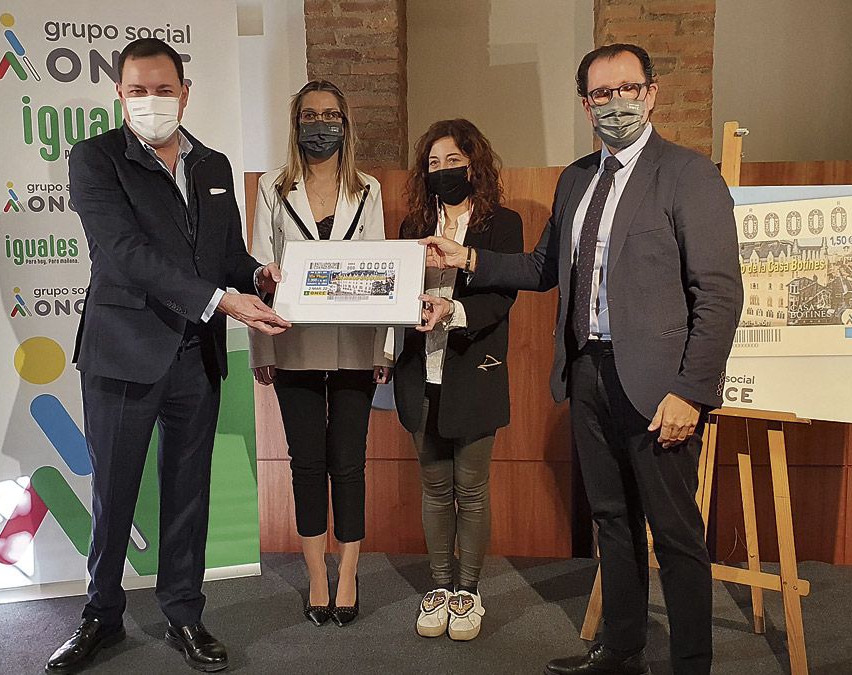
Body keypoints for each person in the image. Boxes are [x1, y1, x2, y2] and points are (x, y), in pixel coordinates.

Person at [421, 44, 743, 675]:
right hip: (588, 371)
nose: (614, 103)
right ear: (586, 104)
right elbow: (544, 269)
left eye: (626, 89)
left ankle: (691, 664)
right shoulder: (576, 179)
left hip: (661, 387)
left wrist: (693, 391)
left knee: (676, 536)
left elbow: (720, 292)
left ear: (651, 93)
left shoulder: (688, 174)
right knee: (611, 521)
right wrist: (468, 261)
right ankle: (621, 653)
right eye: (600, 93)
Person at [48, 38, 290, 674]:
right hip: (123, 353)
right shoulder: (96, 159)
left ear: (185, 93)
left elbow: (224, 254)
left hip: (195, 356)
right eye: (137, 90)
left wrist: (258, 275)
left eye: (163, 89)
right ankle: (100, 617)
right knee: (115, 492)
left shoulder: (212, 164)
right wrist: (222, 298)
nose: (151, 101)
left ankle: (184, 613)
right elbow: (124, 253)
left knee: (189, 492)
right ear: (119, 96)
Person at [249, 80, 390, 629]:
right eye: (309, 115)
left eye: (330, 114)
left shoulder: (369, 189)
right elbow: (259, 270)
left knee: (349, 464)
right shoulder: (272, 189)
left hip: (356, 341)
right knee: (307, 464)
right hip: (294, 341)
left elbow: (382, 273)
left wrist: (383, 344)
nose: (320, 123)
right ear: (296, 123)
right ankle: (315, 577)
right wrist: (263, 342)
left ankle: (348, 574)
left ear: (345, 123)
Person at [396, 120, 522, 642]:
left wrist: (453, 309)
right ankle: (442, 587)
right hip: (419, 372)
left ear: (474, 164)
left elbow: (502, 294)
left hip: (475, 371)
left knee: (470, 490)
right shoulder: (410, 229)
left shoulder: (502, 224)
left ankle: (468, 593)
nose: (444, 171)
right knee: (433, 489)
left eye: (454, 161)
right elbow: (394, 295)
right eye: (433, 164)